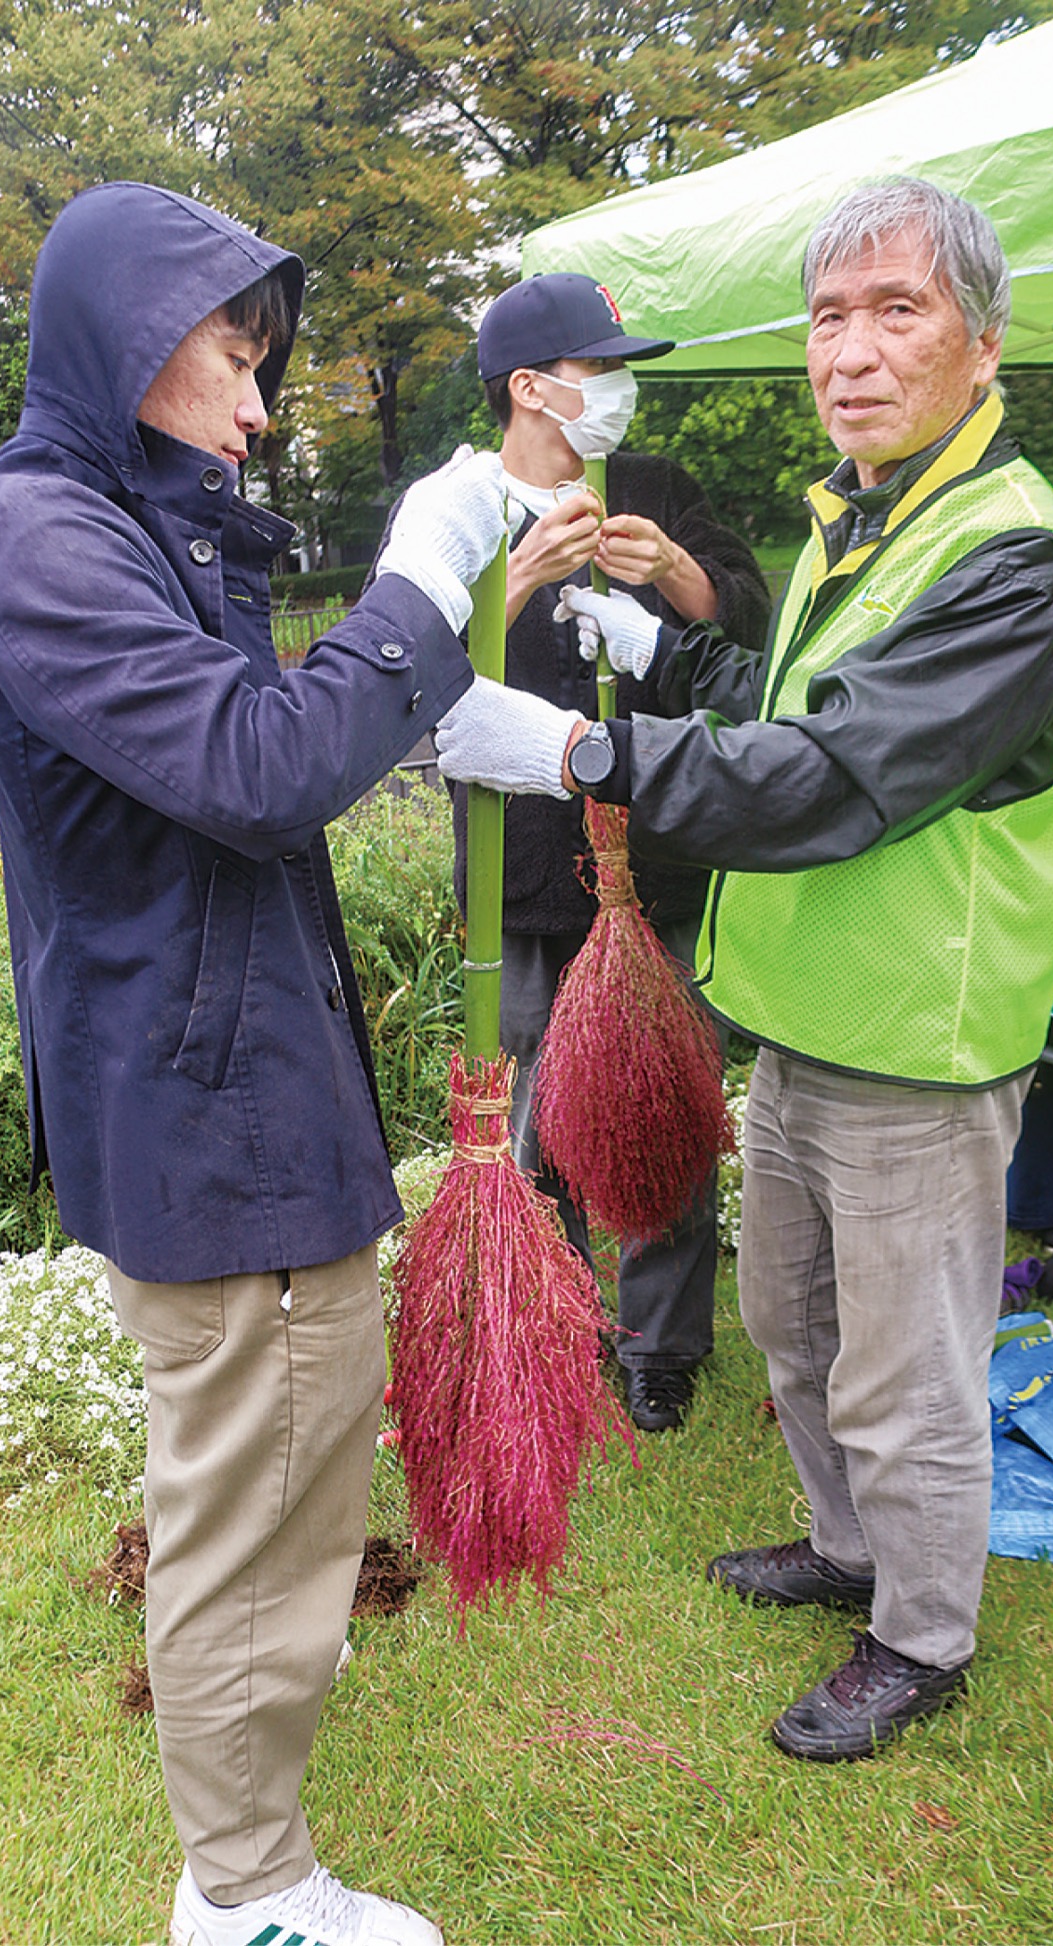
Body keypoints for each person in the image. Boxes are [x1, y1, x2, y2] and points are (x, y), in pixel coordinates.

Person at [433, 178, 1053, 1761]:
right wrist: (666, 644)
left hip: (919, 1045)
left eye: (898, 311)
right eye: (828, 316)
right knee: (796, 1324)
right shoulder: (853, 518)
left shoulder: (1011, 559)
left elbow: (831, 767)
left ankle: (921, 1630)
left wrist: (587, 739)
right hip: (801, 1023)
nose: (852, 352)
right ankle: (846, 1544)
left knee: (906, 1370)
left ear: (984, 344)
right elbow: (777, 684)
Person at [0, 181, 507, 1946]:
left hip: (235, 1091)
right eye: (231, 355)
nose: (259, 409)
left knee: (273, 1498)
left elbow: (259, 767)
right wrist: (423, 580)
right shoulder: (47, 538)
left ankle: (246, 1867)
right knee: (255, 1525)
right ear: (128, 346)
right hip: (215, 1122)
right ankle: (250, 1893)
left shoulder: (132, 523)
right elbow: (260, 769)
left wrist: (449, 698)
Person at [380, 272, 770, 1432]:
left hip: (658, 872)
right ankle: (554, 1320)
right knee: (537, 1116)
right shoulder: (457, 507)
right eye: (603, 367)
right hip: (521, 877)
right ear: (534, 387)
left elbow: (754, 632)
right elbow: (397, 678)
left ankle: (659, 1342)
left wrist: (676, 578)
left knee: (662, 1107)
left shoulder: (653, 490)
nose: (621, 388)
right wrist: (526, 578)